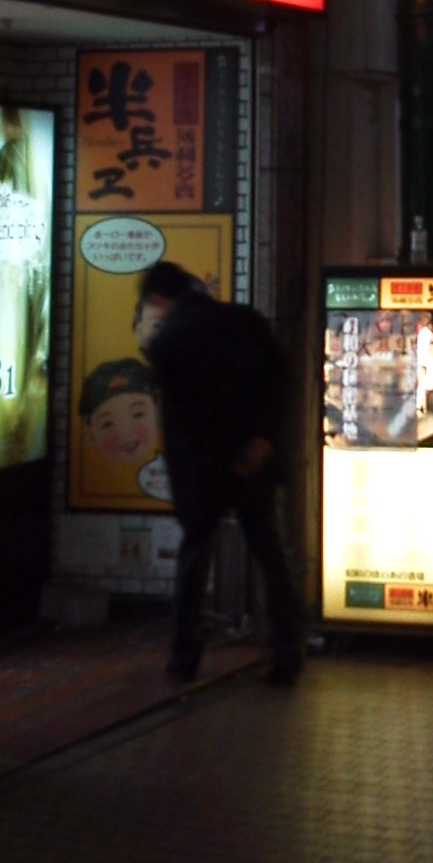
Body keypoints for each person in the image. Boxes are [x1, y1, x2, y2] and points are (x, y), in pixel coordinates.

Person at [133, 261, 304, 686]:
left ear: (157, 300)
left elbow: (183, 419)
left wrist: (216, 454)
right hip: (254, 460)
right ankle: (288, 650)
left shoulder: (167, 344)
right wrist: (260, 440)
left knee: (195, 556)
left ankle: (184, 657)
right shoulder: (246, 321)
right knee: (269, 552)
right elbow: (280, 381)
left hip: (203, 469)